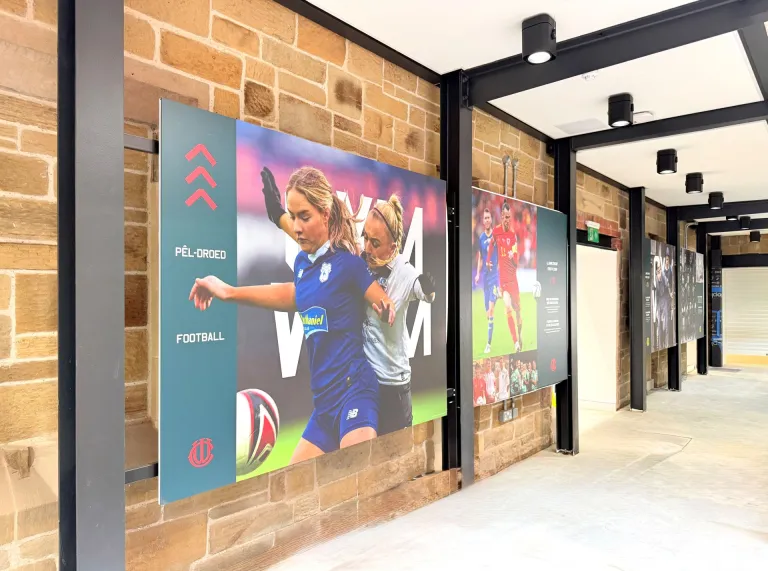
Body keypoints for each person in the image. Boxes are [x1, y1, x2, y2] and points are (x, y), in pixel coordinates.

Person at [189, 166, 395, 464]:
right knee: (295, 485)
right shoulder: (303, 262)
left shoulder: (348, 265)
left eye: (304, 216)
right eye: (292, 216)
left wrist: (384, 305)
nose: (296, 226)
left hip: (356, 392)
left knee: (358, 475)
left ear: (325, 214)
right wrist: (228, 291)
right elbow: (293, 294)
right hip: (324, 406)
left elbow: (380, 297)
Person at [260, 168, 437, 435]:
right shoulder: (358, 259)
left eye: (375, 242)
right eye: (365, 238)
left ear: (393, 246)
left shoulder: (403, 270)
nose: (367, 247)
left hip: (393, 386)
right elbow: (311, 239)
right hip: (366, 383)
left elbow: (421, 290)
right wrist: (278, 215)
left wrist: (426, 289)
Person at [486, 202, 523, 353]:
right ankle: (516, 343)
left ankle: (520, 336)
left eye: (509, 217)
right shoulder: (496, 231)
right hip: (504, 282)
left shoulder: (513, 235)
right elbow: (491, 245)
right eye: (505, 217)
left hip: (514, 281)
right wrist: (488, 260)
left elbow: (517, 261)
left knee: (518, 311)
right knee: (507, 307)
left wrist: (512, 256)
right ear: (501, 216)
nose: (507, 219)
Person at [475, 208, 499, 354]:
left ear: (491, 220)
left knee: (491, 310)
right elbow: (480, 258)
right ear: (483, 221)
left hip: (494, 278)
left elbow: (500, 256)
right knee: (487, 314)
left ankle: (488, 345)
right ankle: (491, 329)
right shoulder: (481, 238)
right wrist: (478, 274)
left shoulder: (496, 237)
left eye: (489, 217)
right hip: (485, 278)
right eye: (485, 218)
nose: (487, 220)